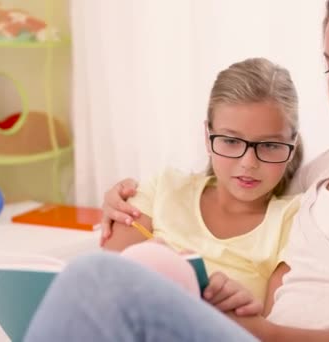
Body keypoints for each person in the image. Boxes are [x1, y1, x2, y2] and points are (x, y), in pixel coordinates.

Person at [25, 0, 329, 341]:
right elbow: (243, 174)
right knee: (96, 283)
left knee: (98, 283)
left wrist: (274, 334)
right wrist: (123, 200)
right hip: (252, 333)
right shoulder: (325, 170)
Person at [100, 57, 303, 309]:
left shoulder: (295, 222)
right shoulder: (163, 189)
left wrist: (245, 313)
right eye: (231, 141)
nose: (249, 162)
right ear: (208, 137)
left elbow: (276, 330)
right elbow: (100, 290)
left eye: (270, 145)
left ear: (292, 146)